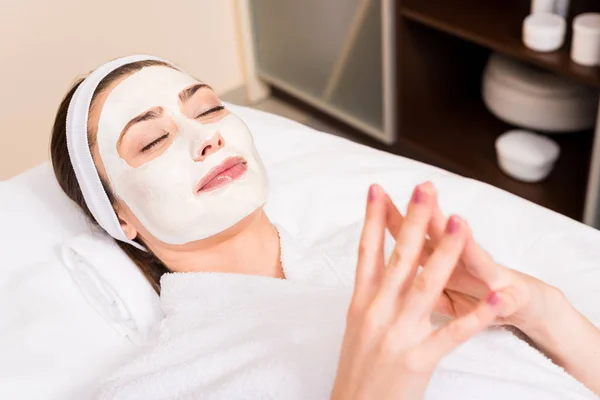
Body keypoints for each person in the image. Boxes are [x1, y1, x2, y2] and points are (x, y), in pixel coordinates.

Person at [50, 56, 600, 399]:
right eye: (152, 140)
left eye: (210, 108)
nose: (206, 136)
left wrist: (538, 309)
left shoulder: (405, 262)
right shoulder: (156, 384)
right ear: (119, 217)